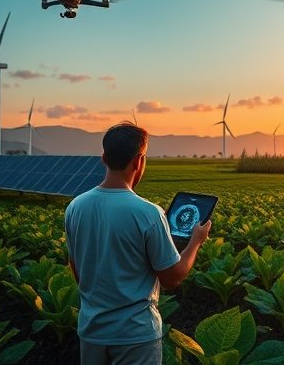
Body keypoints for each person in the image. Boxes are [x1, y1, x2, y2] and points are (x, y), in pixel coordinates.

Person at [65, 121, 211, 364]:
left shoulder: (75, 206)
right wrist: (195, 242)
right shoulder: (148, 213)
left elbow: (78, 270)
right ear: (139, 161)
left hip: (91, 332)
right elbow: (172, 278)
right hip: (135, 335)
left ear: (104, 157)